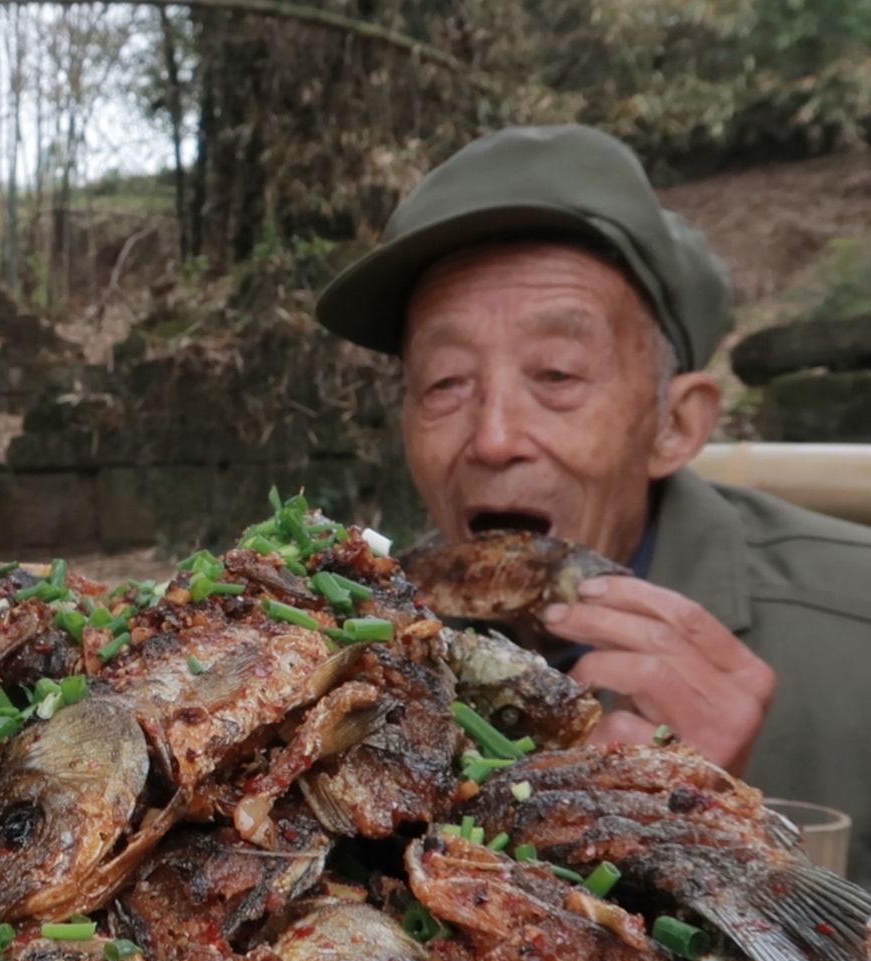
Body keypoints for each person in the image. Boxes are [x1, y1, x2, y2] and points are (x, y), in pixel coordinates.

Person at [316, 124, 871, 883]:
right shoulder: (344, 665)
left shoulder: (855, 638)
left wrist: (725, 843)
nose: (493, 436)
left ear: (673, 425)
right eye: (445, 382)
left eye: (556, 373)